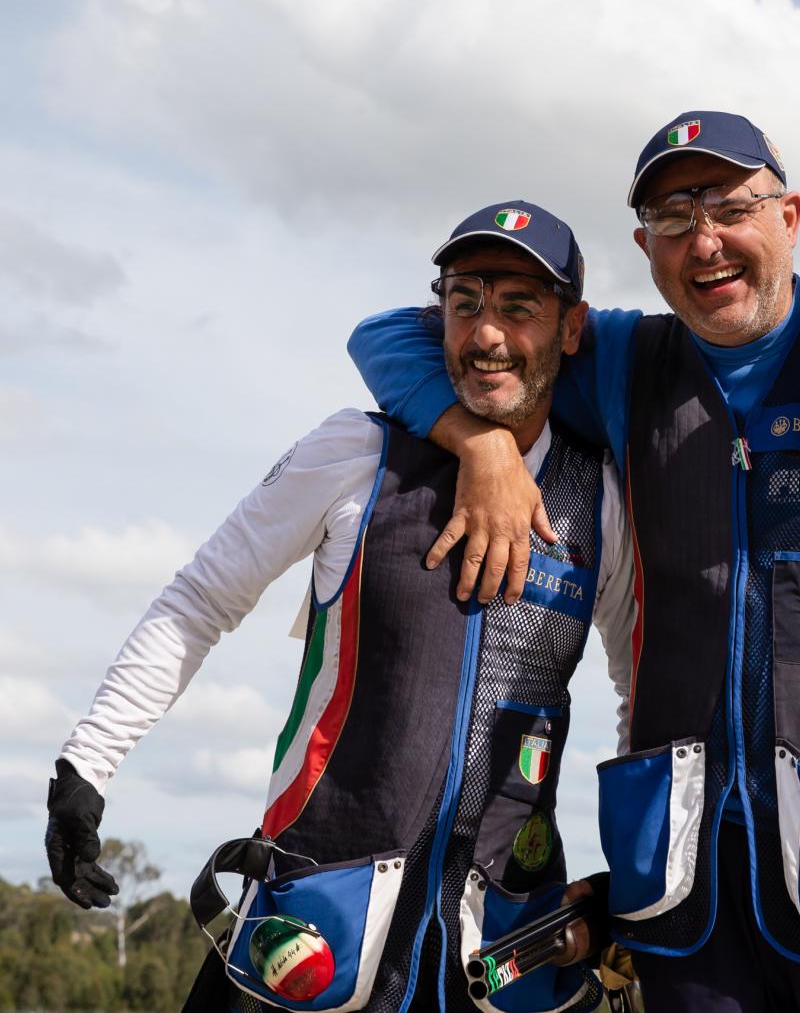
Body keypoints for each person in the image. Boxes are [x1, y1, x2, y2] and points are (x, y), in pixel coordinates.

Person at [45, 201, 634, 1013]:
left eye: (518, 308)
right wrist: (85, 768)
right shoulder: (355, 450)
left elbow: (641, 683)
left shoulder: (598, 498)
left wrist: (634, 878)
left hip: (496, 959)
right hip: (311, 944)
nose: (486, 335)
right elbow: (200, 599)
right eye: (464, 303)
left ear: (571, 329)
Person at [347, 110, 800, 1012]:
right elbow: (391, 337)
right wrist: (477, 443)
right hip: (681, 882)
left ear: (790, 217)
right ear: (645, 245)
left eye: (730, 206)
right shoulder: (629, 360)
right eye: (674, 218)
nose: (704, 240)